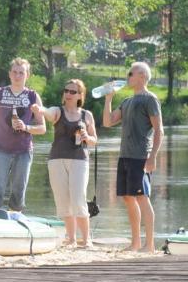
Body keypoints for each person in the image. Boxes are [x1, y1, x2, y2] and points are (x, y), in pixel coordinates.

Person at [102, 62, 163, 252]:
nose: (128, 76)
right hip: (125, 156)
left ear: (143, 76)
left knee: (142, 197)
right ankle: (136, 243)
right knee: (128, 198)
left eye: (131, 73)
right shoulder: (127, 101)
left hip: (140, 156)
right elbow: (107, 122)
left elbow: (159, 130)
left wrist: (152, 157)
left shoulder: (150, 99)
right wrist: (108, 99)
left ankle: (150, 244)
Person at [35, 79, 97, 248]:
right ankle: (71, 238)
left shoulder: (87, 115)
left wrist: (87, 137)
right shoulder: (58, 111)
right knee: (63, 200)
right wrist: (39, 110)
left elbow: (94, 140)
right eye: (66, 90)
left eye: (73, 91)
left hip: (79, 160)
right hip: (56, 159)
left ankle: (86, 239)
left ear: (80, 95)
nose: (68, 94)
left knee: (78, 199)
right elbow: (48, 112)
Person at [0, 58, 44, 213]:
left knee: (18, 194)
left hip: (23, 151)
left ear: (27, 75)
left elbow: (42, 128)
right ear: (9, 74)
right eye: (15, 72)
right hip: (0, 150)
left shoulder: (33, 97)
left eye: (21, 73)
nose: (17, 76)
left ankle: (16, 224)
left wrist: (26, 127)